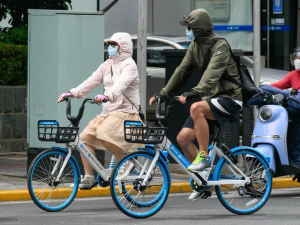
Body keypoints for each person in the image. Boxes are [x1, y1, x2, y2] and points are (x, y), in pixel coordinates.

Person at [149, 8, 242, 201]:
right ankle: (202, 180)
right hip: (211, 100)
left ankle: (204, 158)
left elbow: (212, 75)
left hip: (230, 98)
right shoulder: (195, 46)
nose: (187, 31)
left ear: (198, 28)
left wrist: (194, 92)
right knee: (182, 139)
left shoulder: (220, 46)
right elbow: (182, 71)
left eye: (190, 27)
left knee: (196, 107)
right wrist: (164, 94)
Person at [58, 32, 143, 189]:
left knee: (104, 133)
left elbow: (121, 85)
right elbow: (91, 81)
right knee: (84, 139)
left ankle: (128, 161)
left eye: (114, 45)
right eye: (109, 44)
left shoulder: (129, 65)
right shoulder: (107, 65)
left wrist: (107, 96)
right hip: (109, 113)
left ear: (122, 47)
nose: (110, 48)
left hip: (126, 113)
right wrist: (73, 93)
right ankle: (90, 176)